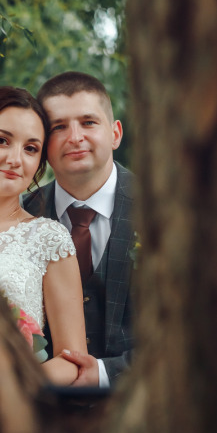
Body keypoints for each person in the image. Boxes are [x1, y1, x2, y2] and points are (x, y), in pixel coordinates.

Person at [0, 86, 87, 385]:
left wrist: (6, 389)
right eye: (1, 141)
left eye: (30, 149)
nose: (16, 159)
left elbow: (72, 360)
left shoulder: (48, 239)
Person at [23, 72, 135, 387]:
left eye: (88, 122)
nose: (74, 137)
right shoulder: (20, 216)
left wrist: (103, 374)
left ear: (115, 133)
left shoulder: (163, 210)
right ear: (43, 144)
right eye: (58, 127)